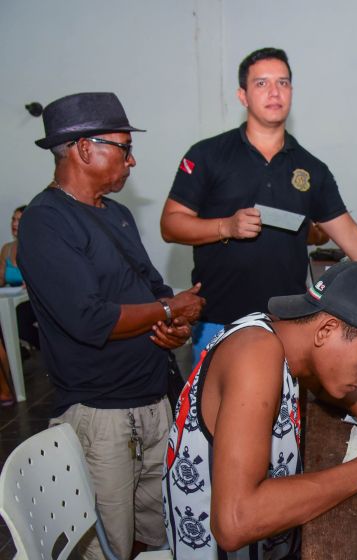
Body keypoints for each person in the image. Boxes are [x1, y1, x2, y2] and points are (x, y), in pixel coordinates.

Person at [160, 47, 357, 365]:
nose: (274, 92)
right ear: (242, 95)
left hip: (287, 323)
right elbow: (170, 224)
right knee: (213, 413)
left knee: (284, 414)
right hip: (218, 321)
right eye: (261, 83)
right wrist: (225, 226)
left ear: (292, 91)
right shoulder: (208, 155)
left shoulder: (312, 169)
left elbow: (349, 234)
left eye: (283, 82)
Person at [18, 92, 206, 559]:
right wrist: (169, 312)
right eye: (123, 147)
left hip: (152, 402)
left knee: (164, 530)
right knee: (109, 545)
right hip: (101, 415)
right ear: (84, 148)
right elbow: (90, 318)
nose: (132, 159)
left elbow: (155, 289)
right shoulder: (46, 222)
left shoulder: (117, 215)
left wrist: (176, 324)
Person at [163, 261, 357, 559]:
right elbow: (235, 522)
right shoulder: (254, 356)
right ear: (326, 330)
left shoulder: (282, 335)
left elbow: (309, 374)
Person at [1, 205, 40, 352]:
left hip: (34, 301)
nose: (14, 223)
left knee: (18, 320)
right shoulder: (7, 248)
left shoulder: (36, 246)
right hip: (13, 300)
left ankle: (50, 352)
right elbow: (1, 277)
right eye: (13, 219)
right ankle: (13, 357)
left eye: (19, 220)